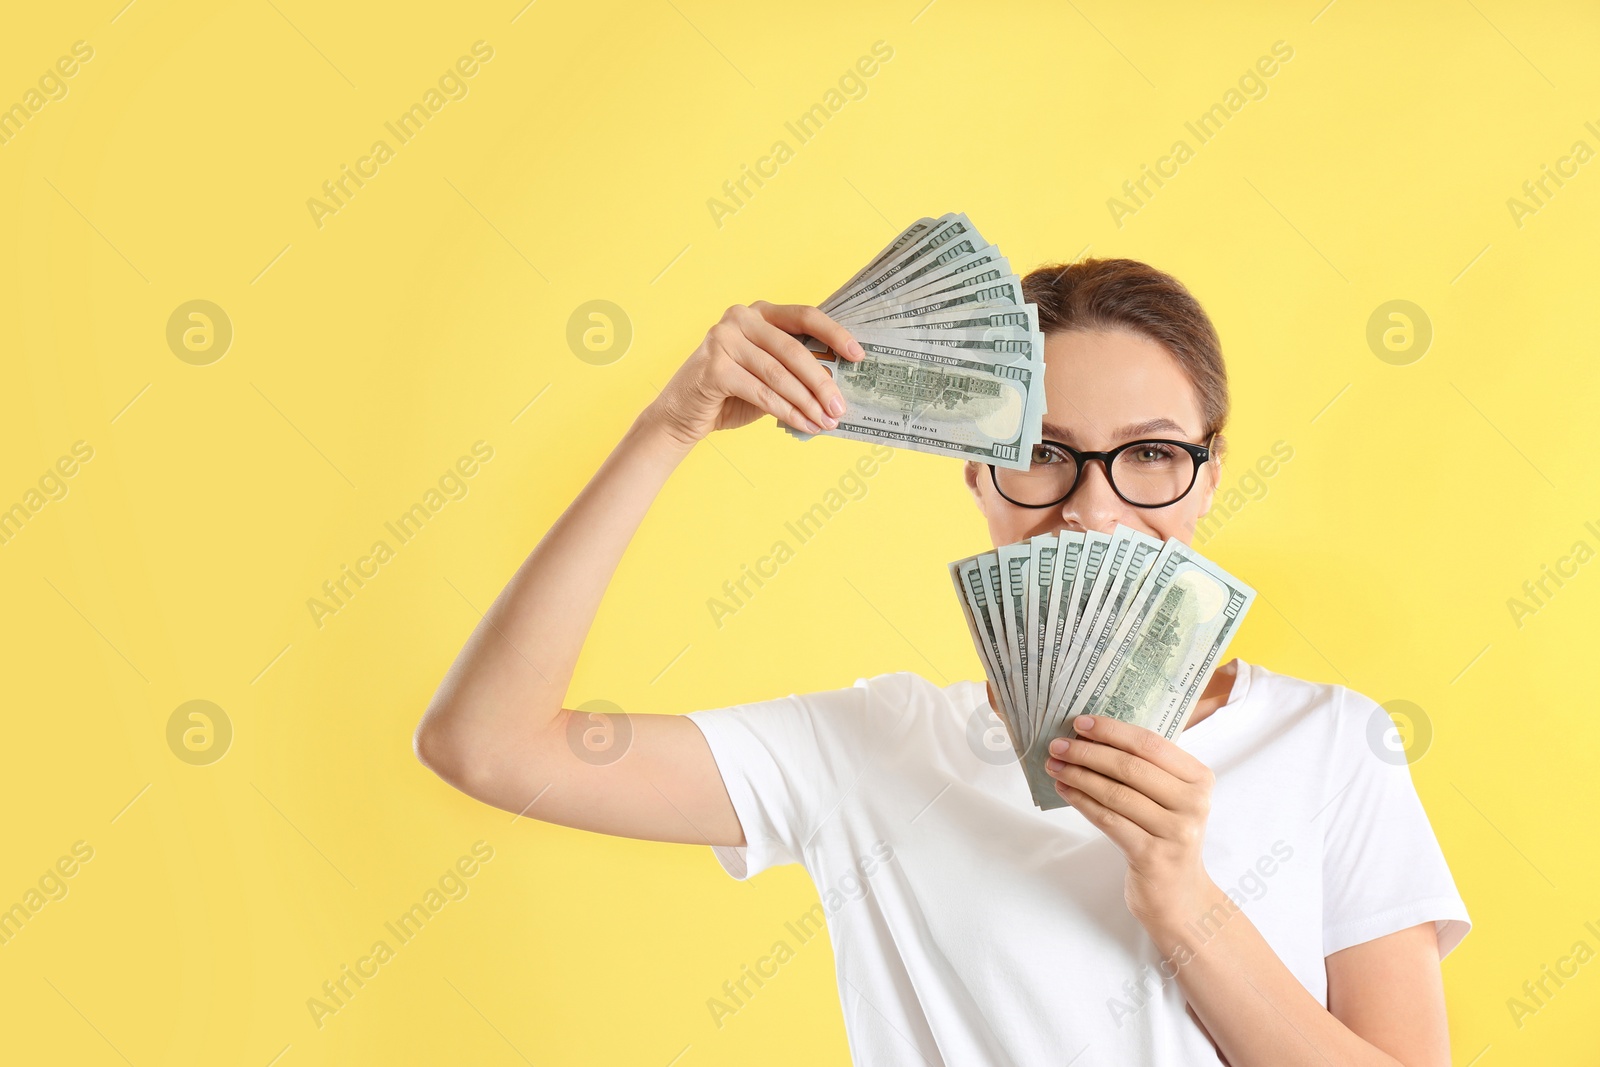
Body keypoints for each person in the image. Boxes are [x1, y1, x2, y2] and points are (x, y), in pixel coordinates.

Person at [413, 257, 1471, 1066]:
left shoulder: (1331, 740)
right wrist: (668, 424)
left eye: (1150, 453)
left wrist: (1181, 897)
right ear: (975, 470)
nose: (1093, 507)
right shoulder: (872, 749)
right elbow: (489, 745)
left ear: (1205, 476)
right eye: (1044, 453)